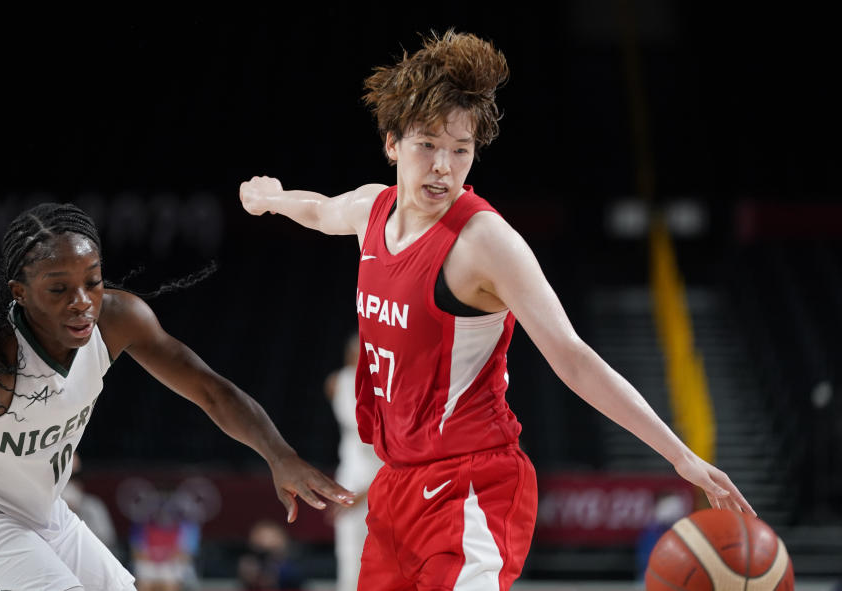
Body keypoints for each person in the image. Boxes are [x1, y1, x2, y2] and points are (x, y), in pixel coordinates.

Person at [239, 29, 754, 590]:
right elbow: (319, 210)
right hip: (397, 485)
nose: (443, 166)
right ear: (392, 143)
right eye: (427, 145)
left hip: (472, 485)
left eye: (460, 150)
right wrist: (270, 199)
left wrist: (680, 456)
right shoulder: (372, 209)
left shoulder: (485, 242)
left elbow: (573, 357)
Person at [0, 202, 354, 591]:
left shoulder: (117, 319)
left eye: (92, 279)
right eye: (59, 289)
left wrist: (279, 454)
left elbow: (210, 390)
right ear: (20, 293)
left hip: (42, 512)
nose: (82, 301)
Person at [324, 333, 382, 591]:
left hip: (385, 476)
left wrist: (370, 491)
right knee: (350, 557)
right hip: (354, 475)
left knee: (387, 555)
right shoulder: (340, 381)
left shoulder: (387, 382)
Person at [236, 519, 304, 591]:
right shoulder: (249, 561)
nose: (264, 542)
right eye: (260, 537)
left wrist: (275, 573)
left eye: (269, 537)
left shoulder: (292, 562)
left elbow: (296, 575)